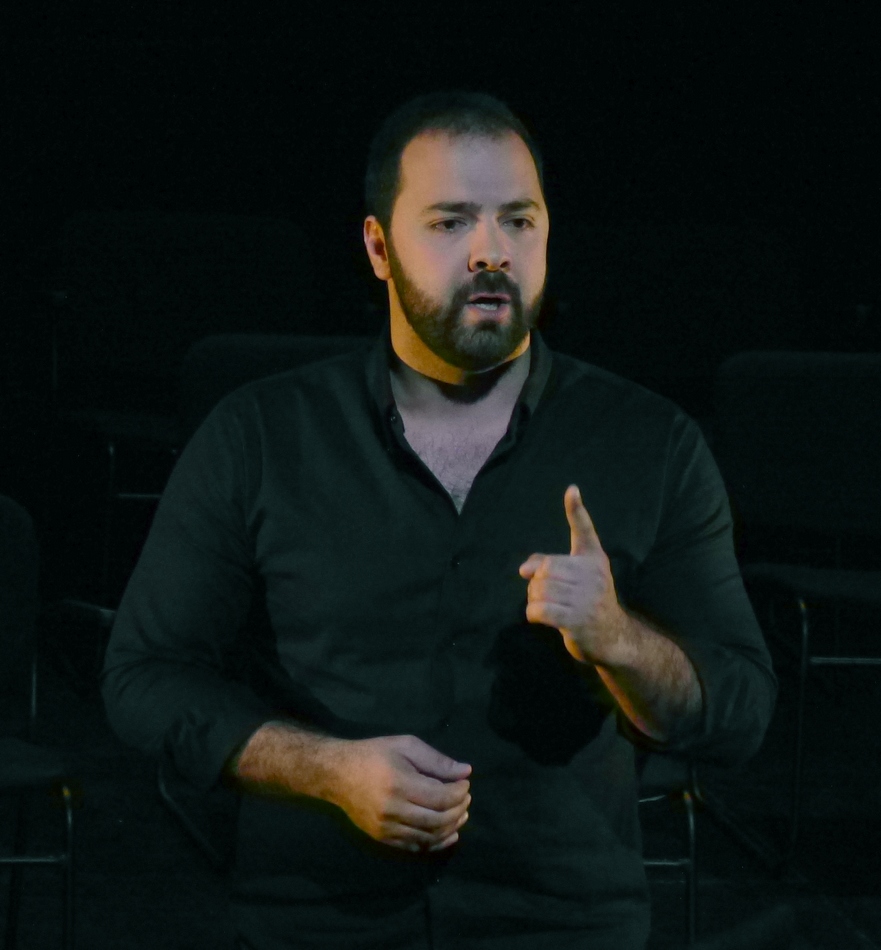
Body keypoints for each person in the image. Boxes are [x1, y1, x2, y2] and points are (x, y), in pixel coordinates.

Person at [102, 89, 777, 950]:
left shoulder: (651, 444)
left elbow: (740, 712)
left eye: (518, 221)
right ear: (378, 248)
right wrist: (326, 771)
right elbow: (144, 678)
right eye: (450, 222)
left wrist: (621, 642)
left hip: (559, 923)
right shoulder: (261, 436)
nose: (491, 250)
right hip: (315, 920)